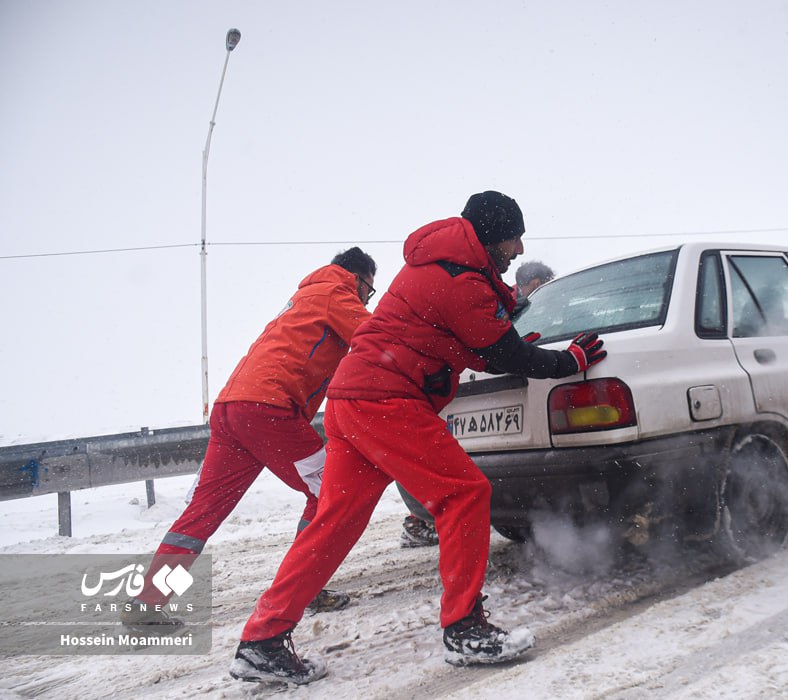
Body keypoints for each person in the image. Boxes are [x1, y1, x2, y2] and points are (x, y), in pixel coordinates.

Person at [230, 191, 607, 684]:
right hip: (386, 399)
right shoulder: (459, 280)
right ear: (493, 234)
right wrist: (569, 361)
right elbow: (505, 356)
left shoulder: (444, 268)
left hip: (352, 399)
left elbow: (474, 345)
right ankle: (465, 629)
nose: (518, 249)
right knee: (465, 493)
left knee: (335, 521)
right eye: (514, 237)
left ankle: (262, 641)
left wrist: (512, 343)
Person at [121, 247, 377, 631]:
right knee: (330, 493)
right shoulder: (336, 292)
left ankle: (148, 602)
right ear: (357, 279)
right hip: (269, 409)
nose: (365, 299)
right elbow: (376, 339)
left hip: (231, 408)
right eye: (369, 291)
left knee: (204, 510)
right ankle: (302, 589)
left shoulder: (305, 296)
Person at [398, 258, 555, 548]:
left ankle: (420, 523)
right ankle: (422, 528)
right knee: (455, 481)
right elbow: (492, 345)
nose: (543, 289)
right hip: (422, 392)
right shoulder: (509, 303)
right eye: (542, 284)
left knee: (437, 471)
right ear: (534, 284)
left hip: (448, 392)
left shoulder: (494, 300)